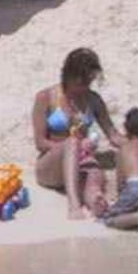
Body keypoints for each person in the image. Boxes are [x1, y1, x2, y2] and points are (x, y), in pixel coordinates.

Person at [31, 47, 116, 218]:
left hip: (81, 163)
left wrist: (136, 143)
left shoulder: (93, 99)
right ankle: (74, 205)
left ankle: (95, 203)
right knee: (72, 142)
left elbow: (113, 134)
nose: (85, 87)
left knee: (94, 175)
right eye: (82, 82)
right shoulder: (45, 97)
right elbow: (40, 143)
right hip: (50, 167)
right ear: (69, 75)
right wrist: (74, 148)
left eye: (89, 82)